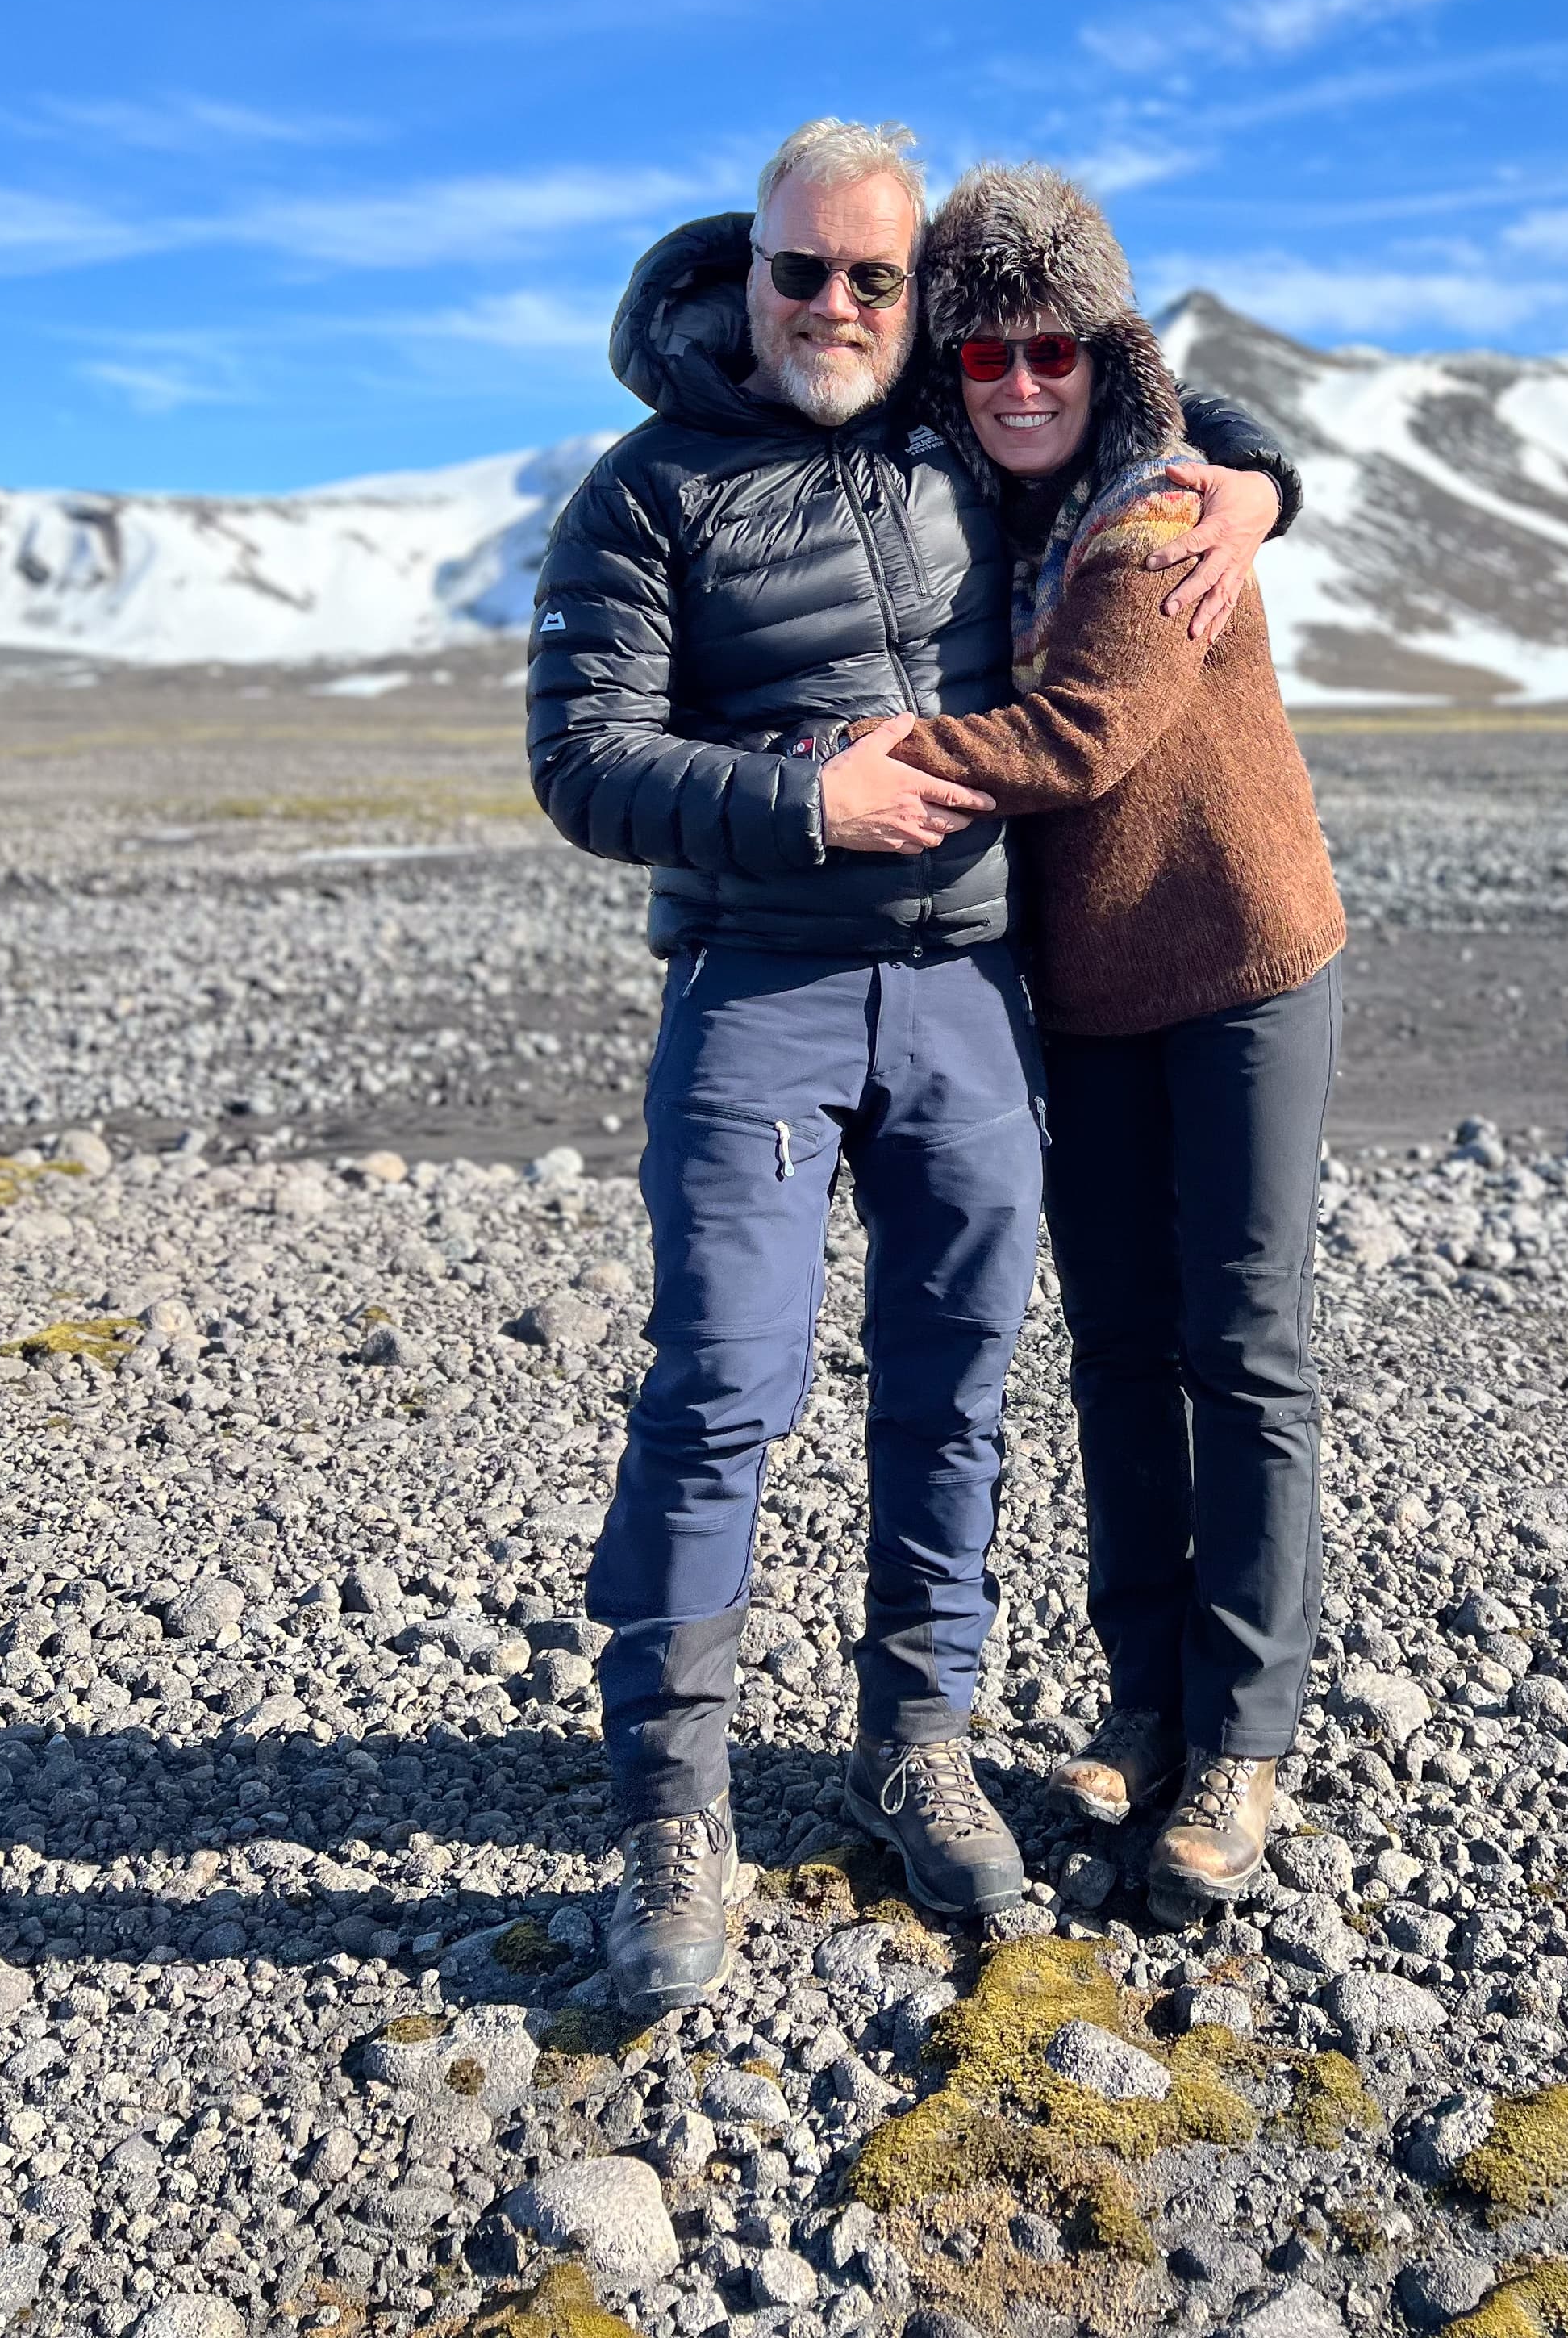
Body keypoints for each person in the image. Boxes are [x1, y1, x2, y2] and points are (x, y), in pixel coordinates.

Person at [525, 118, 1299, 2014]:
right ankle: (670, 1802)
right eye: (806, 272)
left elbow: (1146, 421)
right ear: (747, 266)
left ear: (917, 299)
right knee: (722, 1386)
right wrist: (808, 800)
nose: (838, 308)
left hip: (967, 995)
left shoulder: (958, 444)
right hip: (759, 989)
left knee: (955, 1390)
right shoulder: (642, 496)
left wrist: (1259, 485)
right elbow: (581, 760)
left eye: (880, 282)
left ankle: (917, 1740)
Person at [852, 164, 1345, 1924]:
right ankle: (1146, 1707)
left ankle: (1246, 1741)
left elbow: (1074, 738)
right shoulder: (973, 494)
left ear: (1105, 346)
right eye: (981, 355)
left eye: (1053, 347)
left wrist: (852, 758)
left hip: (1241, 967)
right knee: (1121, 1354)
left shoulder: (1157, 513)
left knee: (1244, 1345)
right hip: (1090, 990)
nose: (1019, 381)